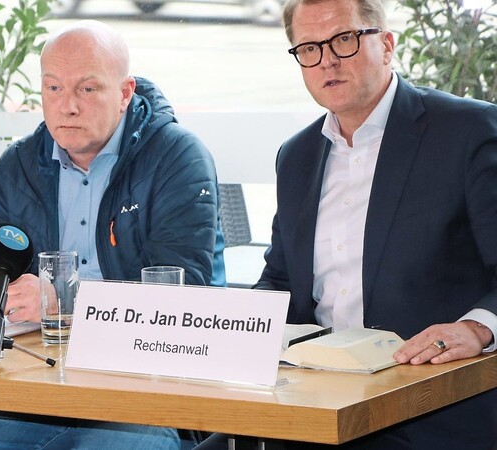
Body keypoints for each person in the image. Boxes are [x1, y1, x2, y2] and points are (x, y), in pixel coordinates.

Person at [197, 1, 497, 449]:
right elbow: (280, 279)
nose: (327, 61)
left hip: (423, 403)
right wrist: (227, 330)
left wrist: (476, 328)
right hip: (310, 399)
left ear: (387, 45)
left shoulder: (467, 130)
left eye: (344, 39)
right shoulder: (296, 156)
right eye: (309, 48)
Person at [0, 20, 226, 449]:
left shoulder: (177, 157)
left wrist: (62, 300)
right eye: (53, 89)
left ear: (124, 94)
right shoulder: (19, 165)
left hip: (146, 389)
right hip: (37, 382)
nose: (67, 106)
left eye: (87, 89)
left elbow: (183, 293)